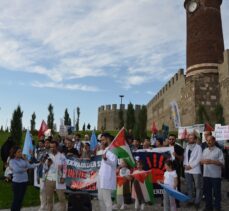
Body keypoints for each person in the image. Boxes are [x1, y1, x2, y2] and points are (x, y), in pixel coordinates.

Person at [9, 146, 38, 211]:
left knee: (20, 199)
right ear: (14, 154)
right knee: (16, 199)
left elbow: (30, 166)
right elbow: (16, 170)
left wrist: (38, 164)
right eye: (18, 152)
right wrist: (25, 169)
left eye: (21, 151)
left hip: (24, 182)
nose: (20, 153)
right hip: (17, 183)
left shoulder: (23, 160)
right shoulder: (12, 161)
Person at [201, 135, 225, 211]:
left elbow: (222, 163)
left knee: (216, 193)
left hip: (215, 176)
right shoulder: (205, 150)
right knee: (207, 193)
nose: (209, 142)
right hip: (206, 175)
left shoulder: (219, 151)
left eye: (210, 140)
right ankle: (209, 208)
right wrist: (202, 162)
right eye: (207, 140)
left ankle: (218, 208)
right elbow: (201, 161)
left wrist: (212, 161)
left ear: (214, 141)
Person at [44, 141, 67, 211]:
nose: (52, 148)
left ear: (57, 147)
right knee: (48, 199)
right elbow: (44, 168)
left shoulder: (62, 156)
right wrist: (47, 164)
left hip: (59, 179)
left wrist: (63, 177)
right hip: (49, 179)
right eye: (51, 147)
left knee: (61, 198)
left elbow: (65, 168)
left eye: (53, 147)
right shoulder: (48, 156)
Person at [98, 133, 118, 211]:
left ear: (108, 139)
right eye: (101, 140)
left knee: (107, 200)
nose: (102, 142)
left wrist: (106, 159)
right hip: (101, 177)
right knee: (100, 198)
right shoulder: (106, 149)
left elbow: (114, 164)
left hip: (107, 178)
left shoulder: (114, 149)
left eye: (103, 140)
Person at [183, 132, 202, 208]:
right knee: (189, 186)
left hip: (195, 169)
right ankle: (190, 200)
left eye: (191, 138)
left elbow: (199, 158)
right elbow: (185, 157)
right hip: (187, 169)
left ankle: (197, 202)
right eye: (189, 138)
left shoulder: (198, 147)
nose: (190, 139)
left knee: (197, 186)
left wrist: (190, 166)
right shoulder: (187, 146)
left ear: (195, 139)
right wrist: (184, 164)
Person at [168, 134, 184, 208]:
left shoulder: (179, 148)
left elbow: (182, 158)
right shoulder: (165, 147)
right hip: (166, 170)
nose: (171, 140)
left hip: (176, 169)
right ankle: (167, 201)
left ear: (175, 140)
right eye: (170, 139)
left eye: (173, 139)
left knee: (176, 185)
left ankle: (177, 202)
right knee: (167, 184)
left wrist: (176, 155)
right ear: (168, 139)